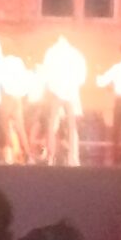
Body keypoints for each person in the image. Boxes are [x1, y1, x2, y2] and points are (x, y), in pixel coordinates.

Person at [41, 35, 85, 168]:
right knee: (72, 126)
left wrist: (51, 88)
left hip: (56, 93)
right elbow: (82, 75)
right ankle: (73, 158)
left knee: (52, 126)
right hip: (71, 92)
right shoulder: (76, 53)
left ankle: (51, 157)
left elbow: (46, 73)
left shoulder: (51, 52)